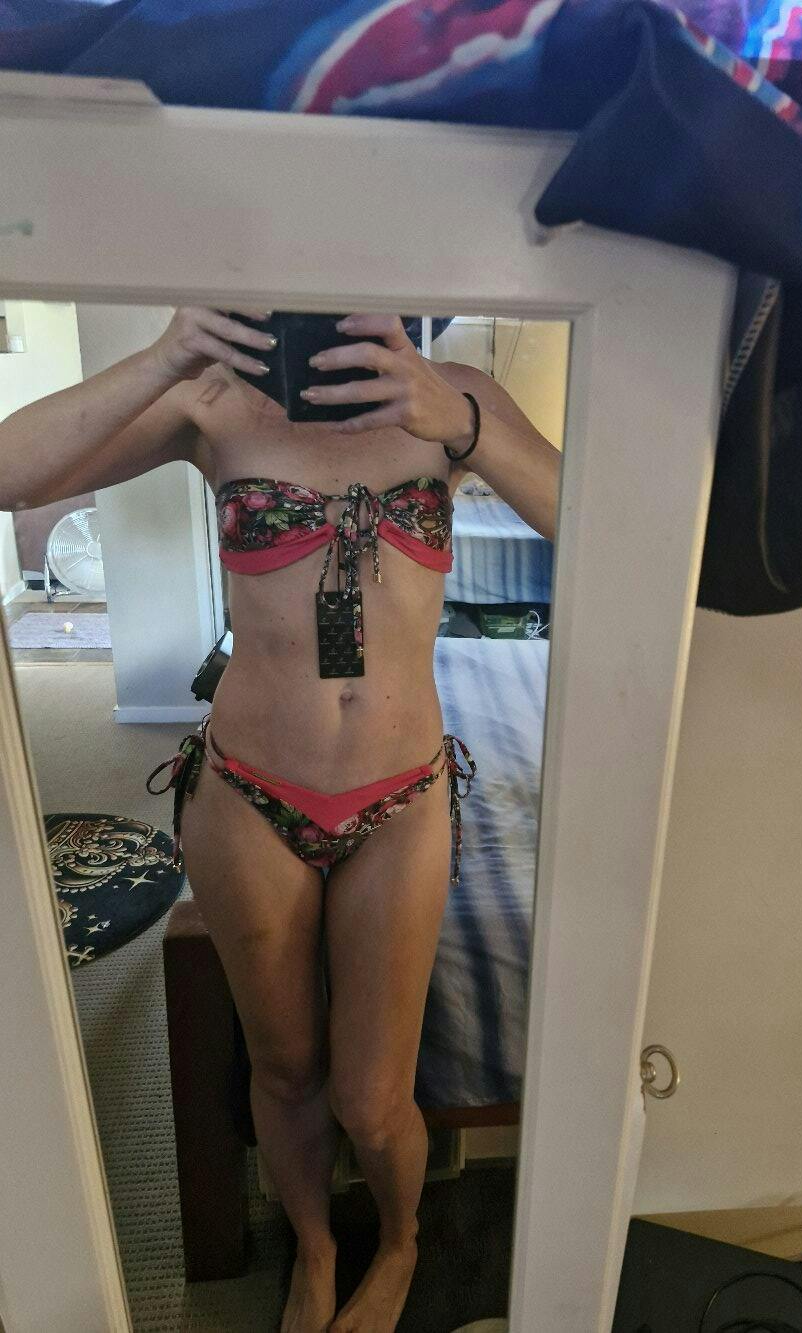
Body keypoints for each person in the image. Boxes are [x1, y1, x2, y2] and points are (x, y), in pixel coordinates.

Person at [0, 306, 561, 1333]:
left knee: (374, 1098)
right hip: (248, 792)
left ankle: (399, 1242)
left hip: (402, 799)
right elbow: (9, 475)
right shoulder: (214, 400)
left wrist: (466, 424)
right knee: (285, 1068)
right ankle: (315, 1246)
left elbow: (609, 530)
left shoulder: (451, 396)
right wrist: (164, 357)